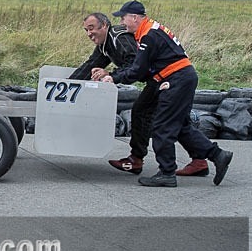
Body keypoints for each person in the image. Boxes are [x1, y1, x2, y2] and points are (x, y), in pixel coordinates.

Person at [101, 0, 232, 187]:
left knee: (163, 125)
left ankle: (167, 172)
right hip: (175, 78)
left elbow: (138, 70)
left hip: (176, 79)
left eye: (124, 17)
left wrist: (114, 77)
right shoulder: (148, 30)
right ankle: (214, 156)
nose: (122, 22)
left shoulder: (148, 35)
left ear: (135, 17)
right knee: (171, 121)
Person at [69, 12, 208, 176]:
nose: (89, 34)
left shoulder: (118, 37)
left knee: (147, 115)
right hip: (160, 79)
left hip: (168, 78)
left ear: (105, 26)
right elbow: (90, 66)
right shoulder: (104, 45)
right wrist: (67, 85)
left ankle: (141, 161)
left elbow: (135, 64)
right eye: (86, 30)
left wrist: (111, 75)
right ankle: (200, 161)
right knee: (176, 120)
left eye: (91, 28)